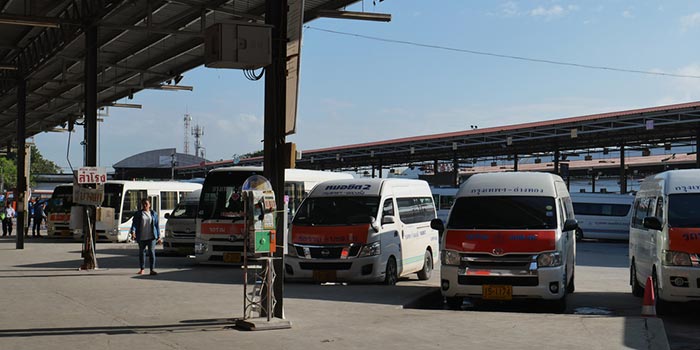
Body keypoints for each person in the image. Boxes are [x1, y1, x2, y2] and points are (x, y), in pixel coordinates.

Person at [129, 198, 161, 275]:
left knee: (151, 252)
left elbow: (156, 226)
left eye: (146, 204)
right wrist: (133, 232)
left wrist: (159, 236)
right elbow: (134, 224)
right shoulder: (138, 214)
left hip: (151, 236)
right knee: (142, 253)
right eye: (143, 204)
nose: (145, 205)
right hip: (141, 236)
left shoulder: (154, 214)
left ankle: (152, 269)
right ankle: (142, 269)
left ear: (149, 205)